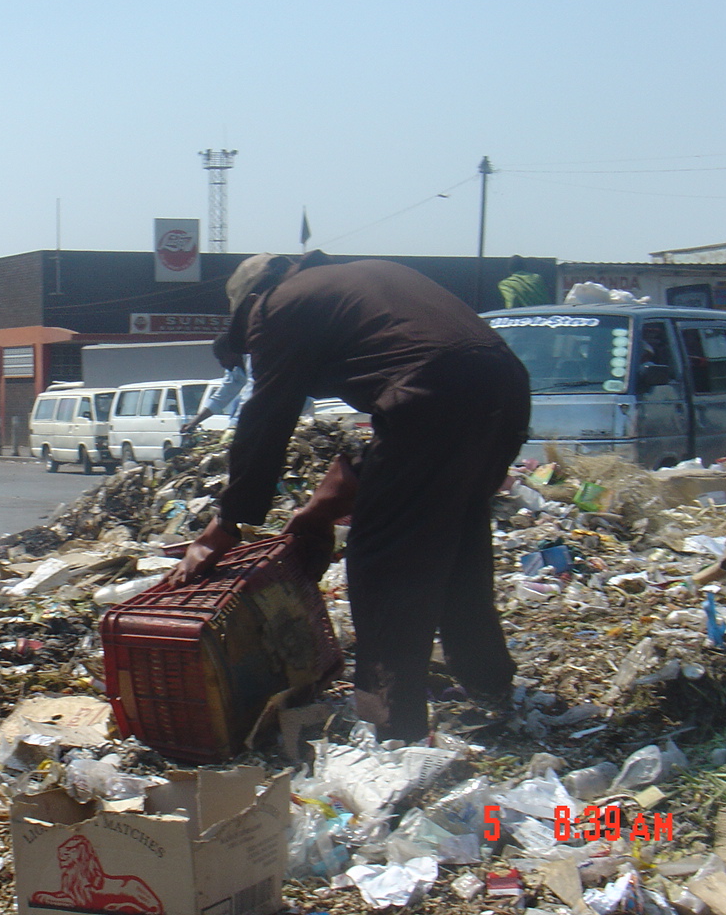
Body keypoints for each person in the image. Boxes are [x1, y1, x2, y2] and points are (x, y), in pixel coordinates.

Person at [170, 251, 531, 743]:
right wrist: (318, 511)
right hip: (505, 387)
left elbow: (267, 417)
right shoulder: (359, 280)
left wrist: (225, 527)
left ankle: (392, 724)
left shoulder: (279, 306)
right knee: (459, 541)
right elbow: (401, 445)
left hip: (434, 393)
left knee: (383, 564)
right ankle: (491, 692)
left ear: (253, 301)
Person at [183, 334, 249, 434]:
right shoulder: (234, 371)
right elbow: (220, 399)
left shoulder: (253, 360)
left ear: (232, 352)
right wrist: (193, 423)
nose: (221, 363)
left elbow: (249, 395)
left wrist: (234, 425)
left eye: (222, 358)